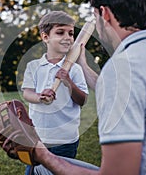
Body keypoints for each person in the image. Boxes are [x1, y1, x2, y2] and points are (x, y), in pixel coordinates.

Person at [31, 0, 146, 174]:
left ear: (105, 13)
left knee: (41, 168)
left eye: (95, 16)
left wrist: (42, 154)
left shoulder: (121, 70)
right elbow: (118, 89)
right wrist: (83, 64)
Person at [21, 11, 89, 174]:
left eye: (71, 33)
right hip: (38, 140)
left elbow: (83, 100)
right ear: (45, 37)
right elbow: (27, 93)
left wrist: (68, 82)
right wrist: (39, 97)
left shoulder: (75, 69)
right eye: (60, 32)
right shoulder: (33, 66)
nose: (67, 37)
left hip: (65, 141)